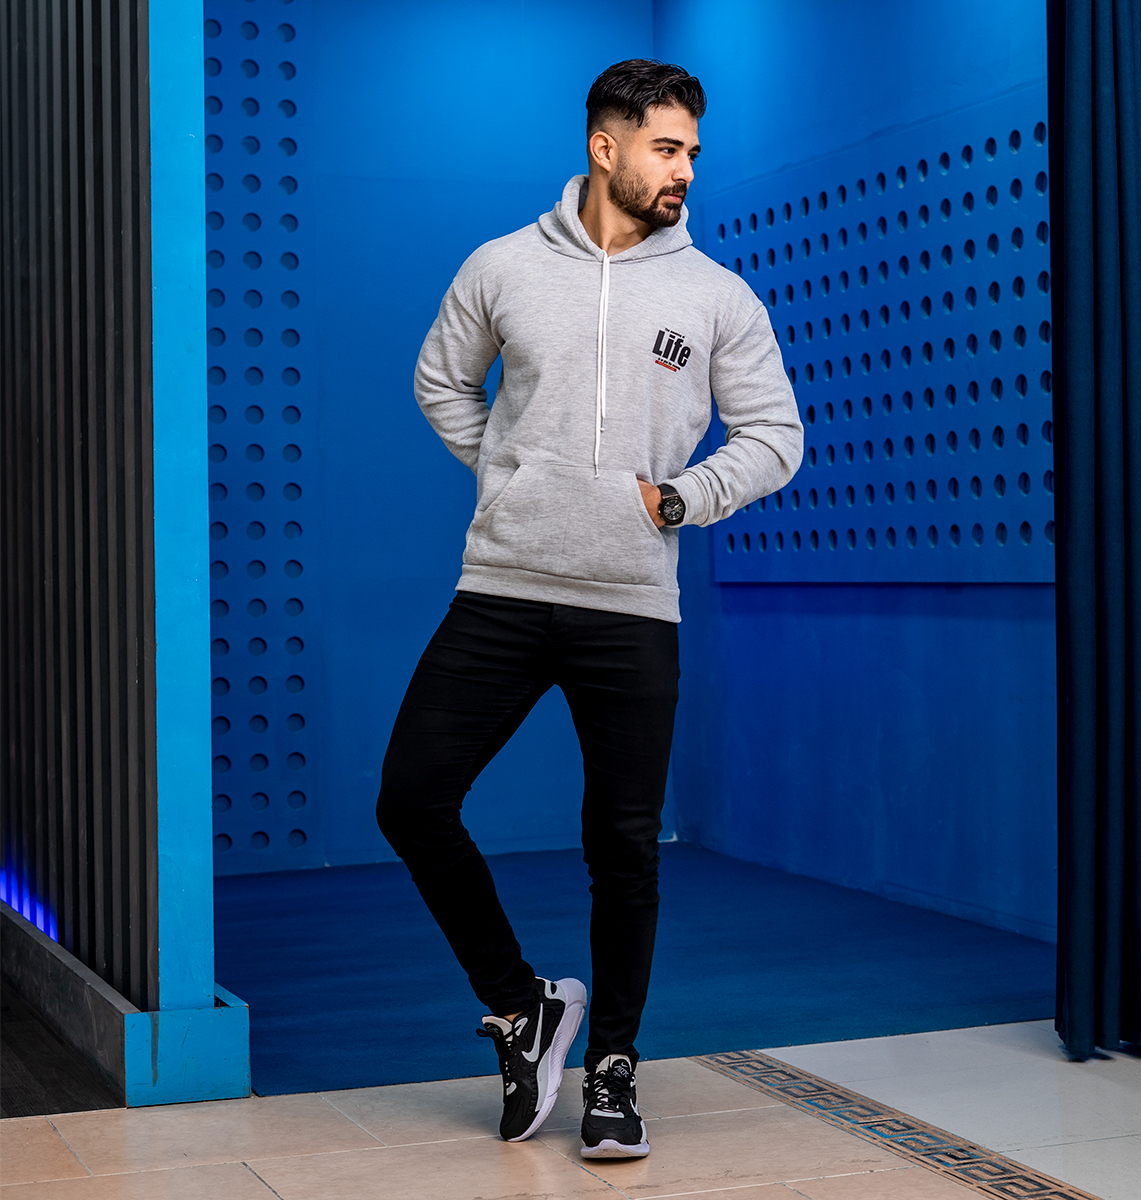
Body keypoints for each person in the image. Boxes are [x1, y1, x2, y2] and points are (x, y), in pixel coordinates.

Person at [376, 58, 804, 1160]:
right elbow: (440, 381)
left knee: (623, 849)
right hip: (505, 588)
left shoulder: (715, 295)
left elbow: (776, 436)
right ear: (605, 147)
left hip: (631, 607)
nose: (686, 169)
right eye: (667, 147)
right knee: (412, 800)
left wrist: (682, 497)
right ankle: (522, 1007)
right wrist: (512, 479)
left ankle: (613, 1069)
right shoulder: (503, 267)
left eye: (693, 150)